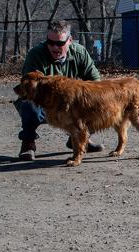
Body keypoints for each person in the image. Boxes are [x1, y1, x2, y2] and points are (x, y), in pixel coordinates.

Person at [15, 20, 104, 161]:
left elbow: (96, 82)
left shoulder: (79, 52)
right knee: (28, 105)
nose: (55, 47)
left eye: (60, 43)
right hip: (46, 103)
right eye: (50, 42)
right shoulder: (36, 54)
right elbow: (28, 89)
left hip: (71, 103)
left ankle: (80, 139)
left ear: (70, 40)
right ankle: (28, 143)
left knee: (97, 104)